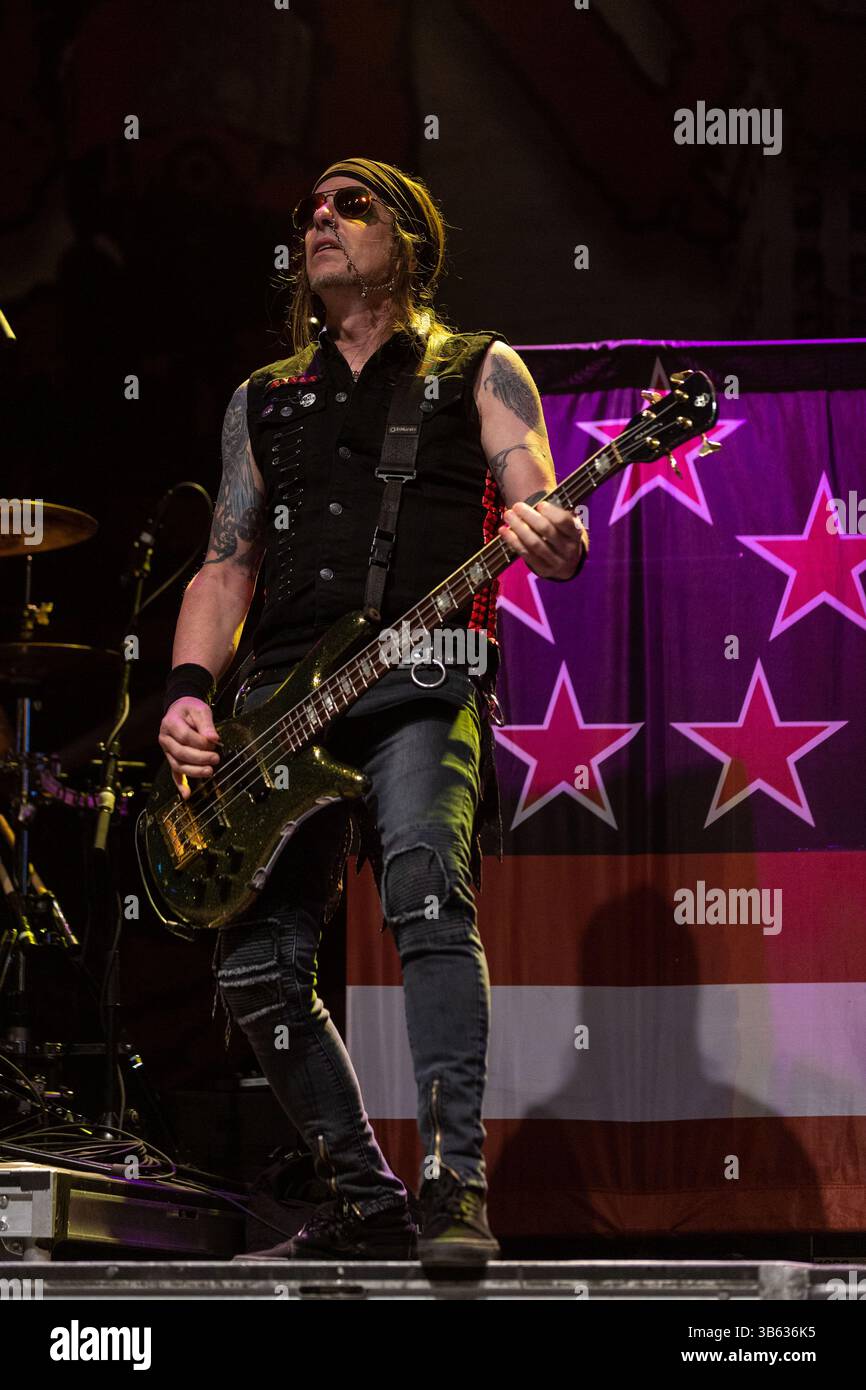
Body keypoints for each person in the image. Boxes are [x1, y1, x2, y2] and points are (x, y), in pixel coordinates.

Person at [157, 158, 588, 1264]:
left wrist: (553, 532)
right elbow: (224, 566)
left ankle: (453, 1189)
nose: (320, 221)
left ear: (410, 238)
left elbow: (535, 491)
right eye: (308, 209)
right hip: (277, 707)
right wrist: (188, 696)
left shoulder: (476, 368)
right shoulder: (264, 396)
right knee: (252, 962)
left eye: (351, 206)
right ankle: (364, 1196)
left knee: (425, 897)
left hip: (422, 677)